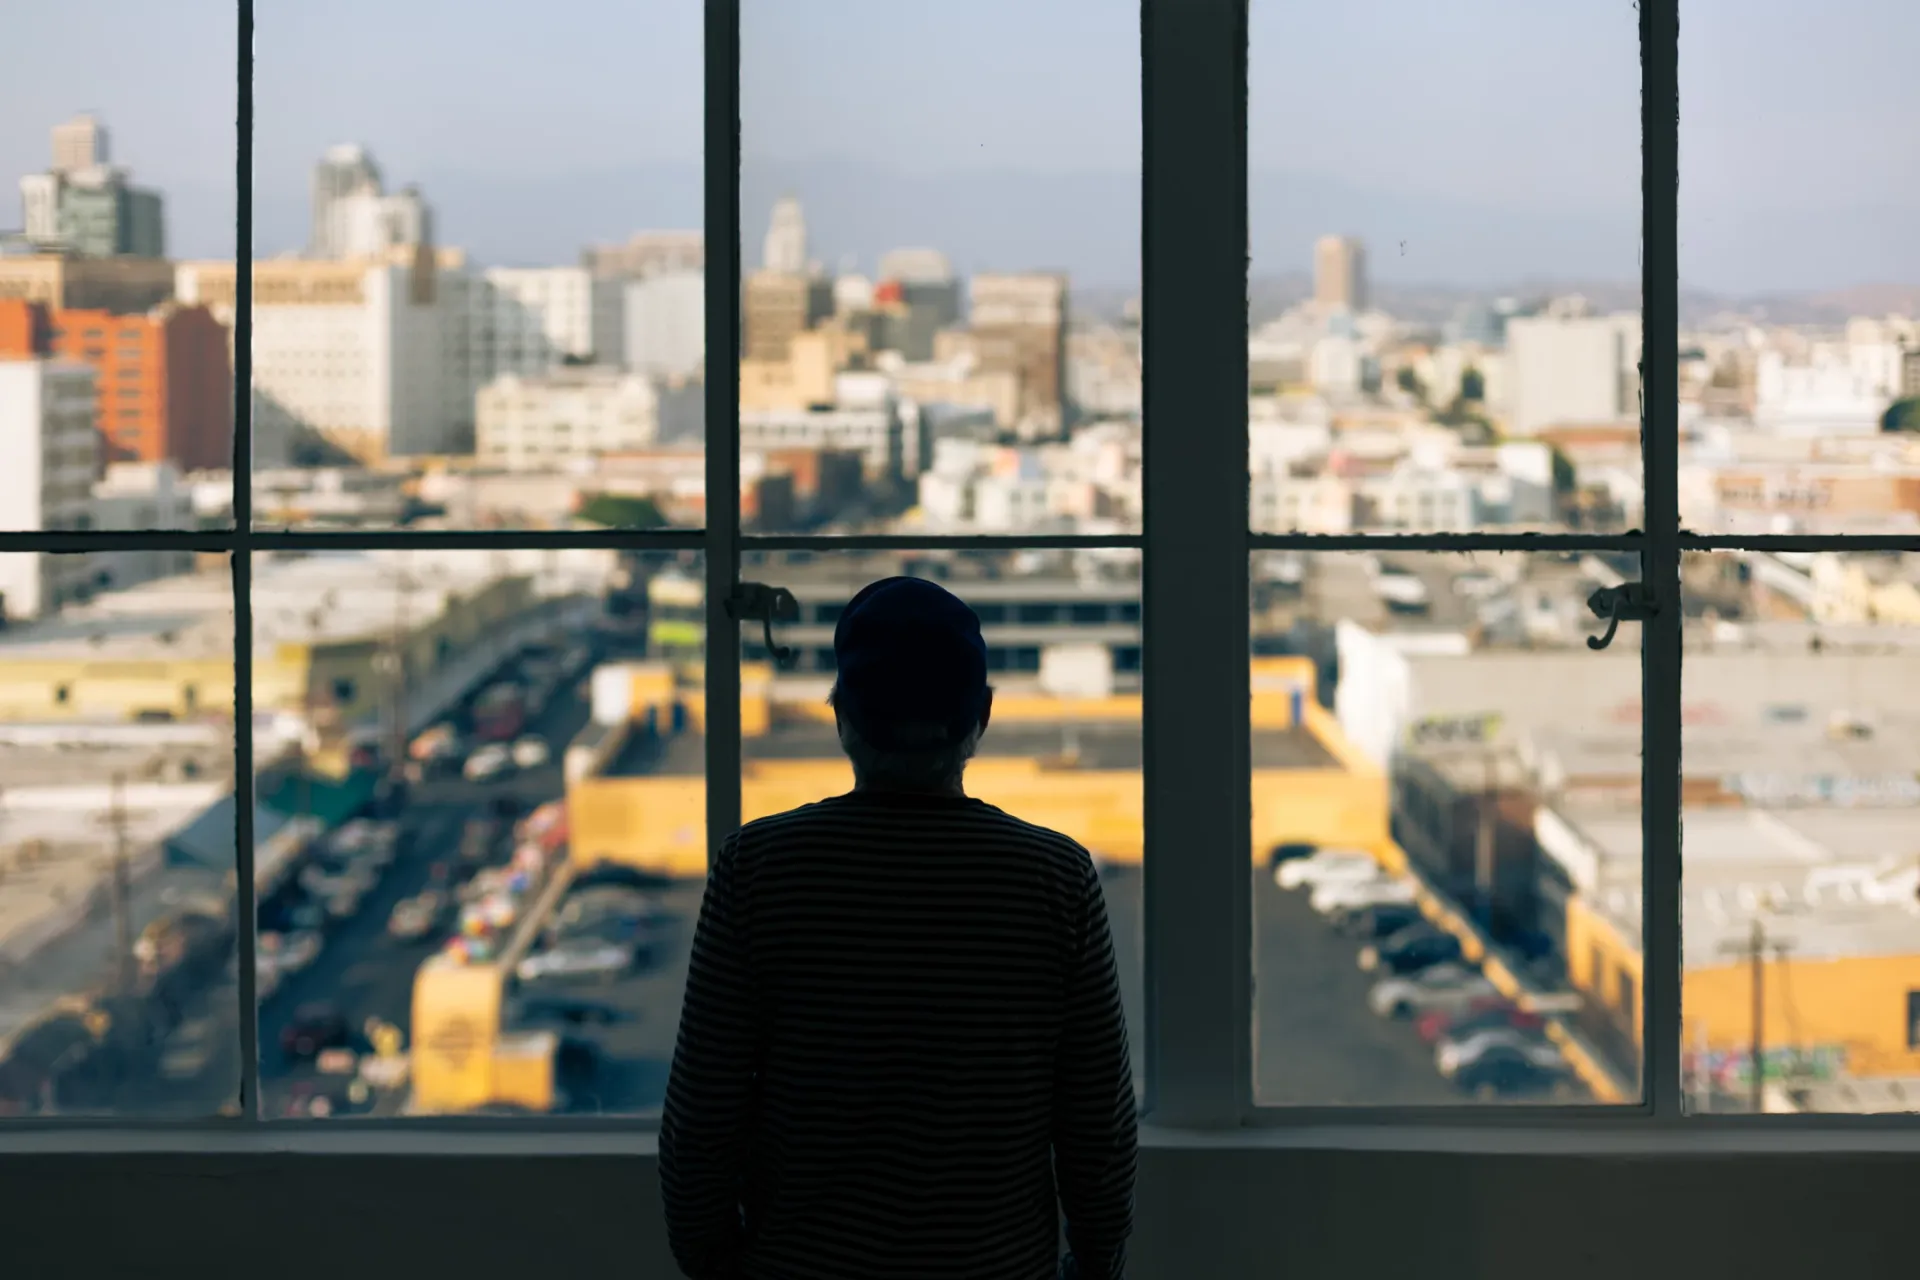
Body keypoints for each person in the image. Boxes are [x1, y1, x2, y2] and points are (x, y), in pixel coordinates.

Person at [660, 576, 1137, 1280]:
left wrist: (715, 1265)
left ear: (840, 714)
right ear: (984, 714)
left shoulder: (760, 868)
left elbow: (703, 1114)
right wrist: (1094, 1266)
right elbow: (1097, 1124)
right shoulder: (1055, 877)